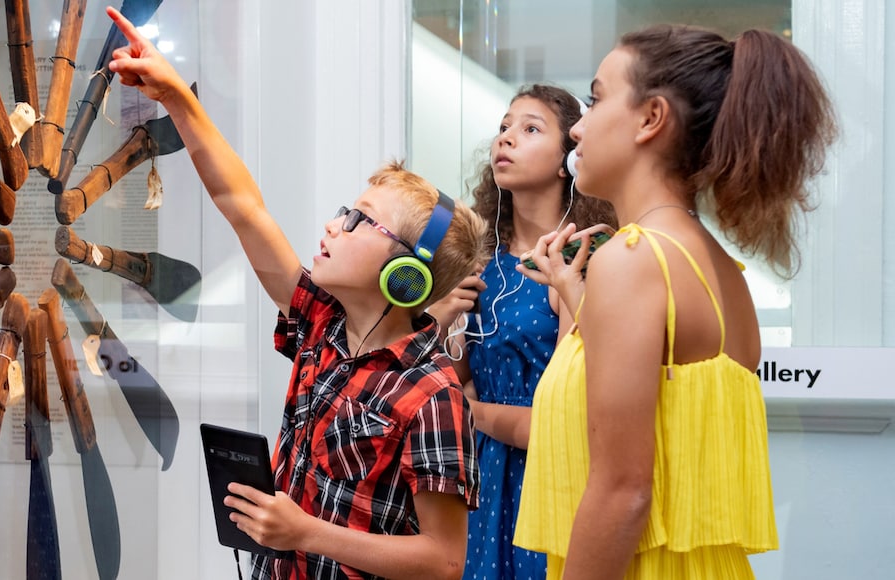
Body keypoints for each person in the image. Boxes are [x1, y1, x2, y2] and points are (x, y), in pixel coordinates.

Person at [105, 7, 488, 580]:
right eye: (344, 211)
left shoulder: (433, 396)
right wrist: (175, 98)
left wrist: (305, 533)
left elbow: (444, 558)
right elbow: (244, 208)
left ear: (404, 276)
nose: (335, 225)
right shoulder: (322, 325)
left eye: (360, 221)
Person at [513, 24, 837, 579]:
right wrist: (572, 291)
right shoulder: (722, 271)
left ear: (650, 118)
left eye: (594, 99)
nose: (578, 129)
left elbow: (624, 491)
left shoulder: (633, 260)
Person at [430, 84, 614, 580]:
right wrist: (442, 316)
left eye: (530, 129)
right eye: (504, 127)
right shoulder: (478, 259)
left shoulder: (579, 262)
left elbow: (559, 420)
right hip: (476, 478)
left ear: (566, 162)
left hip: (546, 480)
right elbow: (446, 378)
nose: (506, 139)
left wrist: (468, 410)